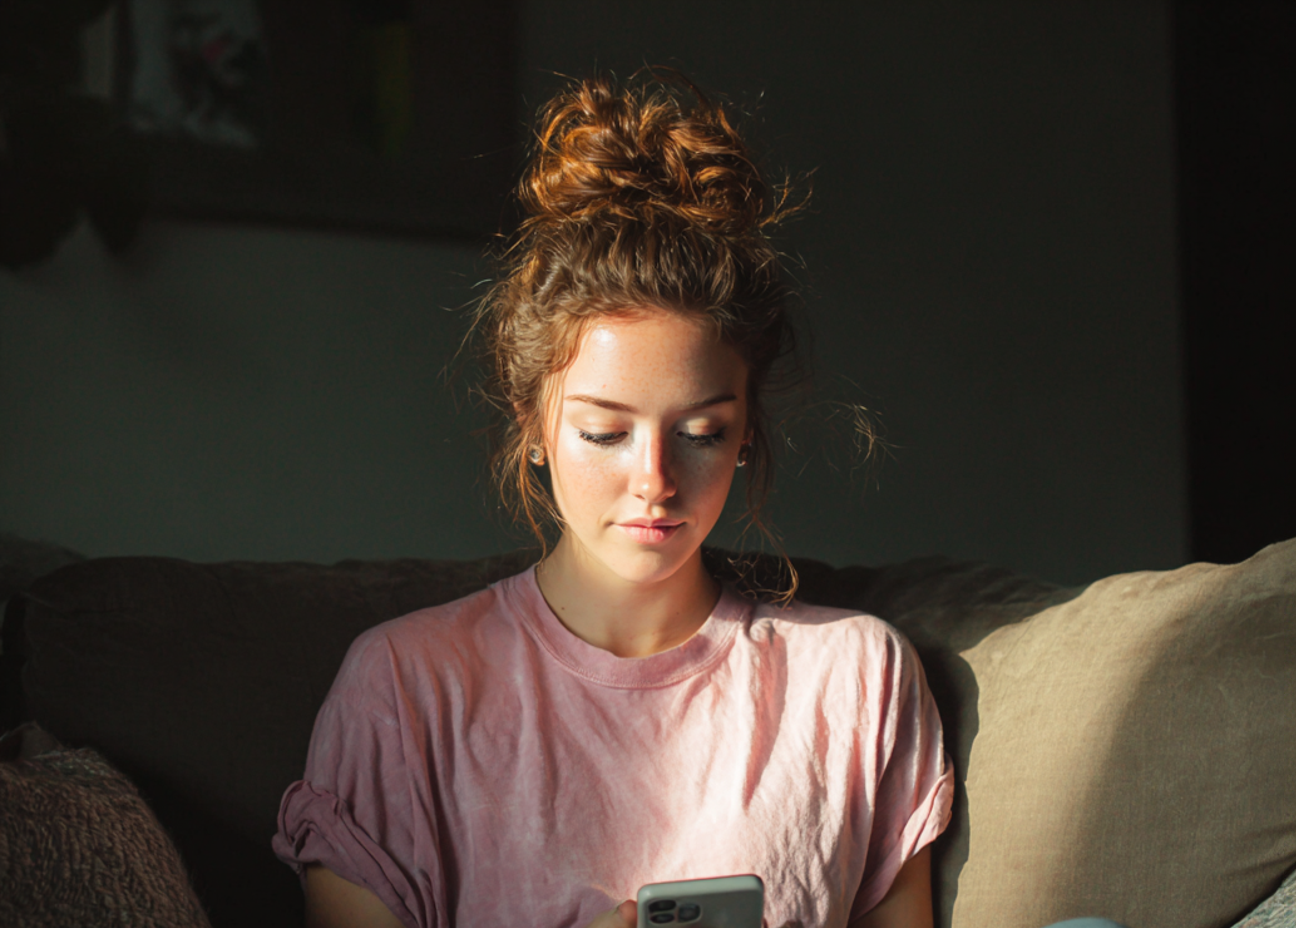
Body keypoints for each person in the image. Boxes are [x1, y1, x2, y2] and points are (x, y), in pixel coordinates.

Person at [271, 71, 1123, 928]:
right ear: (532, 426)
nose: (655, 479)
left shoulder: (855, 678)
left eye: (702, 433)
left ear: (746, 430)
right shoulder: (405, 687)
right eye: (604, 432)